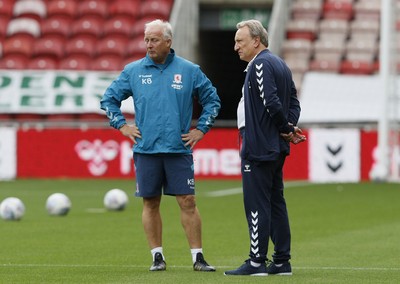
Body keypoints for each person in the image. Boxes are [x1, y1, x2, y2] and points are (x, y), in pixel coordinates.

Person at [100, 19, 220, 272]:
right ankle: (157, 257)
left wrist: (201, 129)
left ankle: (198, 257)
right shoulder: (133, 71)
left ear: (168, 41)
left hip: (178, 149)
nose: (149, 44)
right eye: (146, 40)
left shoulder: (189, 70)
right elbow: (108, 100)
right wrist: (122, 125)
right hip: (146, 150)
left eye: (154, 40)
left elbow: (213, 101)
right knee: (150, 202)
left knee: (188, 201)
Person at [224, 19, 306, 276]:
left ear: (256, 41)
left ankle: (257, 261)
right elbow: (294, 100)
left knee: (256, 203)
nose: (236, 46)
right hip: (275, 144)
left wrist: (285, 127)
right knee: (275, 201)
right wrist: (289, 127)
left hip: (259, 145)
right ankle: (282, 261)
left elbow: (270, 101)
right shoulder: (280, 64)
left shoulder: (259, 64)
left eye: (240, 41)